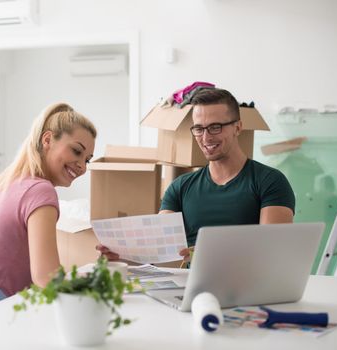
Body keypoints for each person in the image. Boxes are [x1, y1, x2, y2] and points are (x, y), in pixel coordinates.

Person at [97, 88, 295, 263]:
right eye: (199, 128)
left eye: (215, 127)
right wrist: (121, 253)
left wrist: (209, 253)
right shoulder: (181, 187)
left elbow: (272, 252)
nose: (206, 137)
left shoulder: (270, 181)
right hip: (194, 290)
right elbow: (157, 246)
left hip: (250, 289)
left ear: (238, 127)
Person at [0, 103, 96, 296]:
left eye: (87, 159)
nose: (82, 166)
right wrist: (101, 278)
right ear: (47, 140)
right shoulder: (41, 191)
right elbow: (47, 277)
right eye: (76, 151)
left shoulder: (5, 183)